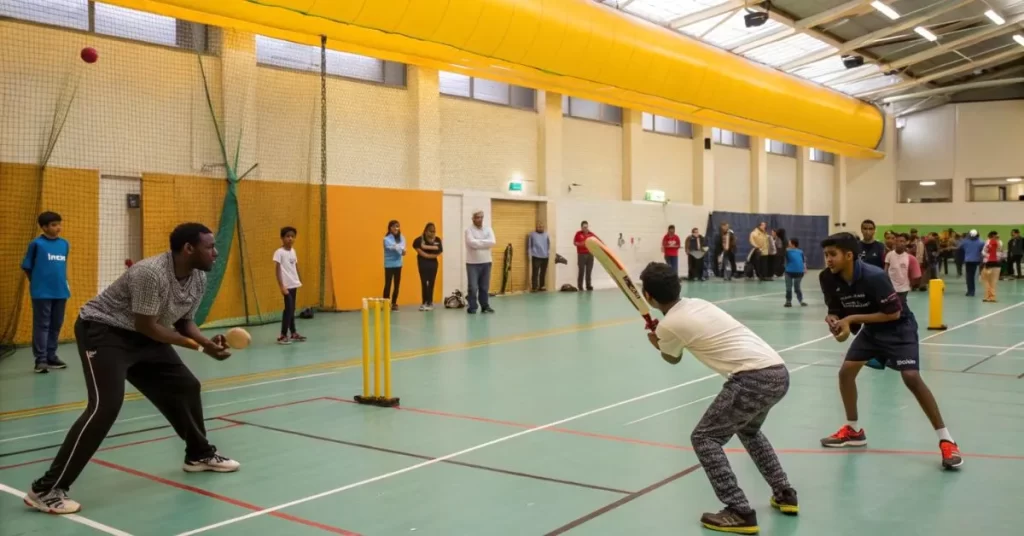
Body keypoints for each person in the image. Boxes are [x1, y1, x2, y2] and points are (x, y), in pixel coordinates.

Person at [24, 223, 239, 515]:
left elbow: (184, 322)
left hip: (145, 336)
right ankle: (45, 490)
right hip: (104, 331)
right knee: (105, 407)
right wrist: (201, 348)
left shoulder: (198, 277)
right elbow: (147, 325)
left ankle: (198, 455)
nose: (215, 253)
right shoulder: (150, 273)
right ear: (189, 249)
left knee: (186, 385)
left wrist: (205, 342)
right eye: (209, 247)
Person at [640, 262, 797, 534]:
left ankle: (739, 511)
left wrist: (658, 342)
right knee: (749, 430)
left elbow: (672, 358)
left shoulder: (669, 326)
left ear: (649, 297)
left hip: (751, 379)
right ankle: (784, 492)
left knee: (704, 438)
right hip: (778, 372)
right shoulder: (696, 303)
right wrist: (663, 334)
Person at [818, 233, 962, 470]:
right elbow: (834, 309)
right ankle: (854, 431)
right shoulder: (827, 278)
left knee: (911, 377)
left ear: (849, 255)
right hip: (872, 331)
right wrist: (834, 321)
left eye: (833, 254)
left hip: (898, 328)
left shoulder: (875, 277)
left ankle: (947, 440)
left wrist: (852, 318)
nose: (828, 260)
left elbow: (893, 313)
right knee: (846, 373)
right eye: (826, 255)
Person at [21, 211, 70, 373]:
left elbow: (62, 268)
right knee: (42, 325)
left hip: (61, 292)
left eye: (59, 224)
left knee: (56, 325)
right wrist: (38, 285)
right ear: (44, 227)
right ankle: (40, 360)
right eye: (54, 225)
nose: (58, 228)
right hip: (42, 293)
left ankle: (51, 356)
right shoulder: (36, 244)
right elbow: (27, 267)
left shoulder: (64, 244)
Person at [273, 226, 306, 344]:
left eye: (292, 236)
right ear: (282, 238)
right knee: (288, 310)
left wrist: (299, 279)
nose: (290, 239)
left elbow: (295, 266)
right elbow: (277, 270)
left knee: (292, 309)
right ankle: (282, 335)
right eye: (287, 236)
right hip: (286, 286)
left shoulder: (293, 251)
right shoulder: (279, 253)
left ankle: (293, 333)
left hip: (293, 284)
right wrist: (282, 286)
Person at [464, 210, 496, 314]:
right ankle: (472, 307)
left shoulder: (488, 229)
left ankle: (485, 306)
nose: (480, 219)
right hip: (472, 263)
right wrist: (484, 242)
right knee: (473, 287)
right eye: (477, 217)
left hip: (486, 261)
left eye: (481, 217)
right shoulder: (468, 230)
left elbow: (492, 242)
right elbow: (472, 243)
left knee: (484, 287)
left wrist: (478, 242)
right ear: (473, 219)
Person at [413, 222, 443, 311]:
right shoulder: (419, 240)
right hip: (423, 263)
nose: (432, 233)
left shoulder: (437, 240)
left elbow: (439, 251)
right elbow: (418, 249)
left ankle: (430, 302)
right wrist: (427, 254)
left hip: (433, 264)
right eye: (430, 231)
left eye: (434, 231)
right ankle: (424, 302)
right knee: (424, 282)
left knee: (431, 283)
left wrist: (429, 254)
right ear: (425, 231)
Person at [884, 233, 922, 304]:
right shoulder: (889, 255)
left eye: (903, 241)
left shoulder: (909, 258)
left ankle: (908, 315)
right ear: (895, 242)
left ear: (906, 243)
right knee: (895, 305)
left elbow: (916, 275)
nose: (901, 243)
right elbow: (885, 270)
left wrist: (911, 284)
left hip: (904, 288)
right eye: (899, 241)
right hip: (891, 286)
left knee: (901, 304)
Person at [382, 220, 405, 311]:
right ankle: (386, 303)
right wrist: (399, 248)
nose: (396, 228)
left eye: (397, 226)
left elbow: (402, 250)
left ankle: (394, 303)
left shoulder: (402, 238)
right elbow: (396, 249)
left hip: (398, 264)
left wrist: (400, 248)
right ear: (390, 228)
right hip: (389, 265)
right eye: (394, 226)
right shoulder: (386, 239)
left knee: (397, 285)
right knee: (388, 284)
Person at [573, 221, 598, 291]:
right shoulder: (578, 234)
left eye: (586, 227)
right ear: (581, 227)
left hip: (590, 254)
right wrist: (582, 244)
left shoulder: (591, 234)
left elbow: (598, 241)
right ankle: (580, 286)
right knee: (581, 270)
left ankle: (588, 285)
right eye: (584, 227)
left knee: (589, 270)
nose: (585, 229)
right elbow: (575, 243)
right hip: (581, 255)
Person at [959, 230, 983, 297]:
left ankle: (970, 291)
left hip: (968, 261)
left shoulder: (965, 242)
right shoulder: (981, 242)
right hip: (976, 261)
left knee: (969, 277)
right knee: (972, 276)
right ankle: (971, 291)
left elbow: (960, 247)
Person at [783, 238, 806, 307]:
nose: (788, 243)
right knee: (788, 288)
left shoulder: (800, 252)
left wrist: (805, 268)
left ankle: (801, 300)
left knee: (797, 288)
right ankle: (788, 301)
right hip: (788, 272)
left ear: (793, 244)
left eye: (789, 242)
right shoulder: (786, 251)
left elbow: (803, 260)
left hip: (799, 272)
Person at [980, 231, 1002, 302]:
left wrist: (988, 256)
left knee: (986, 281)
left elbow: (983, 252)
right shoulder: (1000, 243)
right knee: (993, 281)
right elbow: (1000, 253)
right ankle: (992, 297)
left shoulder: (988, 242)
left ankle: (987, 297)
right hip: (997, 264)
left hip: (988, 263)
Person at [527, 222, 550, 291]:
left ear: (543, 227)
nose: (540, 228)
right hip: (536, 256)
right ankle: (534, 287)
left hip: (545, 256)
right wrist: (529, 254)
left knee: (543, 272)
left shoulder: (546, 234)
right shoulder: (532, 234)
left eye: (541, 227)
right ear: (536, 227)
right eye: (538, 227)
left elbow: (548, 244)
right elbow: (529, 245)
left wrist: (548, 253)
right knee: (535, 272)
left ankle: (542, 286)